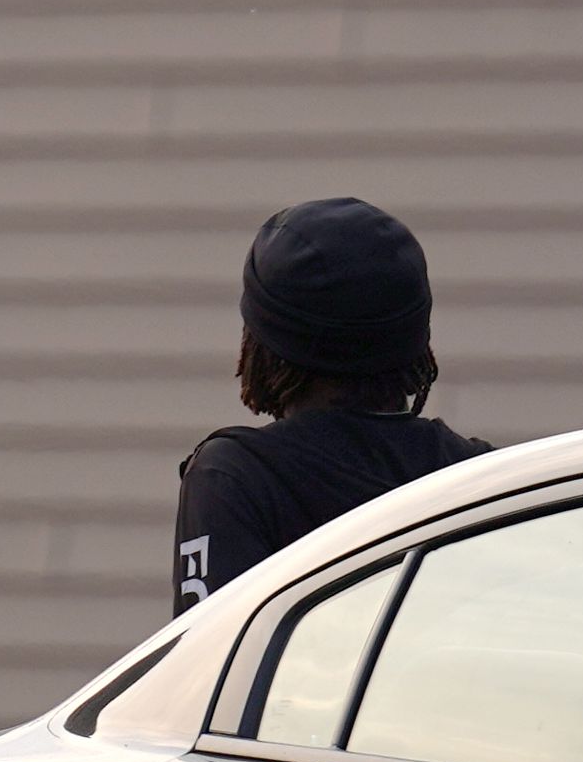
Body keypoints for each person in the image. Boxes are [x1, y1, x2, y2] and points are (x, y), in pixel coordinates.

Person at [174, 197, 488, 610]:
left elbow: (212, 665)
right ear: (416, 340)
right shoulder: (480, 478)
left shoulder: (235, 479)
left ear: (263, 349)